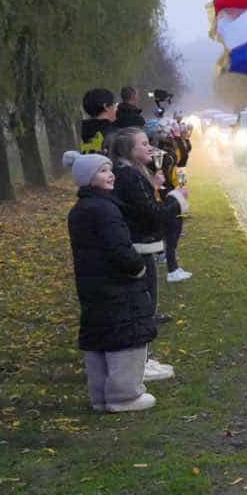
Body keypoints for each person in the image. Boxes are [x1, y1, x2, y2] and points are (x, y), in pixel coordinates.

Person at [62, 151, 157, 412]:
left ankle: (100, 397)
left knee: (100, 340)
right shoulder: (105, 209)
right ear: (87, 178)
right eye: (103, 171)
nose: (111, 174)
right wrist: (138, 268)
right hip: (116, 285)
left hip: (93, 287)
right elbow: (119, 248)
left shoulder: (80, 209)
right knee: (125, 337)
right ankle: (124, 397)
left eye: (109, 169)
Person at [107, 127, 189, 383]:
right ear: (129, 150)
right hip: (138, 247)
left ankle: (143, 358)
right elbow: (151, 214)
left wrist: (153, 186)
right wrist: (176, 199)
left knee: (144, 304)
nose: (150, 148)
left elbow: (140, 206)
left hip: (139, 245)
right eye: (143, 144)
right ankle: (139, 365)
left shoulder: (131, 173)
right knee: (143, 306)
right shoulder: (129, 175)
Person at [154, 126, 191, 283]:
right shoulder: (161, 155)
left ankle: (173, 266)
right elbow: (181, 162)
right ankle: (172, 269)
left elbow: (181, 163)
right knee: (172, 234)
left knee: (172, 234)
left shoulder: (167, 151)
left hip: (171, 192)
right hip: (168, 195)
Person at [79, 87, 118, 154]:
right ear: (106, 106)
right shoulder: (115, 135)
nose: (115, 108)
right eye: (113, 104)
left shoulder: (86, 132)